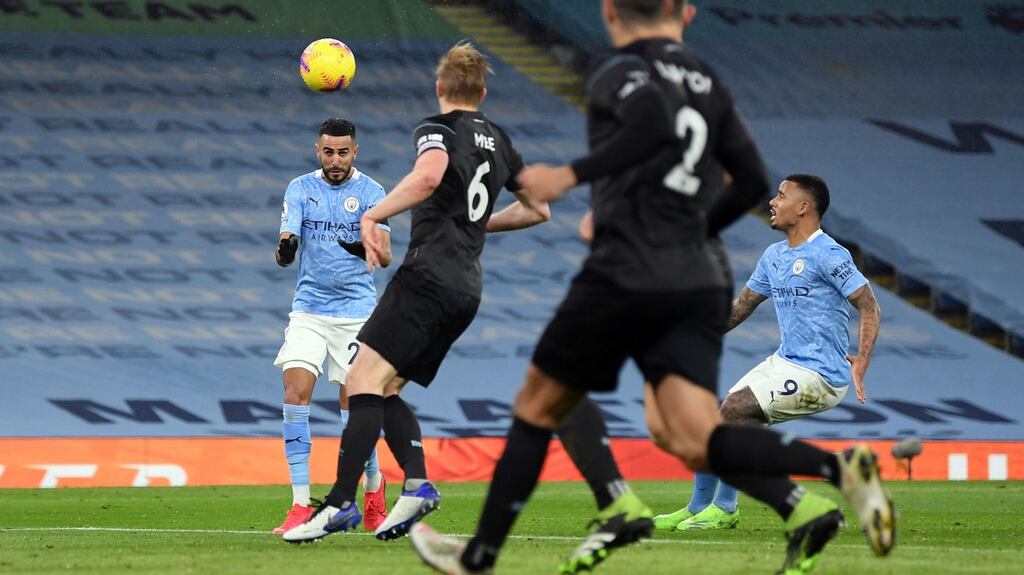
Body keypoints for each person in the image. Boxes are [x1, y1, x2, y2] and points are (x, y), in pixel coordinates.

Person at [409, 2, 895, 575]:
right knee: (689, 431)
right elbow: (751, 182)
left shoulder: (621, 70)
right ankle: (825, 484)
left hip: (630, 265)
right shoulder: (706, 83)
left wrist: (572, 177)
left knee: (541, 400)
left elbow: (642, 133)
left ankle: (489, 553)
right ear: (682, 13)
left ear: (610, 12)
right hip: (697, 271)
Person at [282, 42, 551, 543]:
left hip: (426, 277)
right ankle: (418, 484)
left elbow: (428, 176)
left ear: (440, 88)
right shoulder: (500, 138)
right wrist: (475, 226)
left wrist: (373, 213)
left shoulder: (437, 127)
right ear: (483, 92)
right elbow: (539, 210)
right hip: (467, 289)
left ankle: (341, 503)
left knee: (361, 380)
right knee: (386, 388)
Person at [654, 174, 882, 531]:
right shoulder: (773, 256)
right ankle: (698, 507)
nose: (773, 202)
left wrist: (863, 356)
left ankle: (726, 509)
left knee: (733, 411)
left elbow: (869, 306)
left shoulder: (829, 254)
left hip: (821, 375)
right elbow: (741, 307)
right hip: (786, 362)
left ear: (803, 207)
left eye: (781, 195)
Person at [271, 117, 392, 535]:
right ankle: (301, 504)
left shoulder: (373, 193)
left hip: (356, 313)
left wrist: (368, 247)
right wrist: (287, 250)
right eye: (328, 151)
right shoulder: (300, 188)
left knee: (355, 413)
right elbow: (285, 247)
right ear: (317, 150)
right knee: (294, 391)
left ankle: (374, 491)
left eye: (343, 152)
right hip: (309, 310)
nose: (335, 160)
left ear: (355, 152)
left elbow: (387, 257)